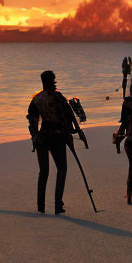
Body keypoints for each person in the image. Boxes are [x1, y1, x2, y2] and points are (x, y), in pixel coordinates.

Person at [27, 70, 86, 214]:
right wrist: (71, 134)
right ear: (53, 81)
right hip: (57, 137)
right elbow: (67, 119)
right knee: (61, 169)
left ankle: (41, 207)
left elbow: (32, 123)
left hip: (42, 137)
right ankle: (58, 205)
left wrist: (35, 138)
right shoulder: (58, 98)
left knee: (44, 172)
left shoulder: (36, 99)